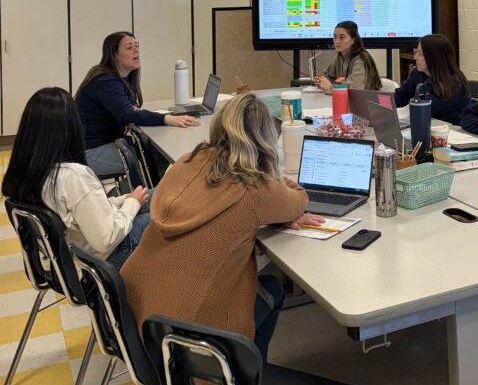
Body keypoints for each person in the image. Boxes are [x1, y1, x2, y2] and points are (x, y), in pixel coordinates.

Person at [121, 92, 320, 362]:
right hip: (186, 337)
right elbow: (299, 201)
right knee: (271, 290)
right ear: (265, 138)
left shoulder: (186, 162)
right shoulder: (254, 187)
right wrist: (277, 195)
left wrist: (271, 209)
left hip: (135, 309)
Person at [1, 87, 151, 268]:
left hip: (72, 257)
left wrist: (123, 200)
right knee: (172, 212)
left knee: (160, 196)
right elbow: (107, 238)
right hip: (103, 260)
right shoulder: (73, 177)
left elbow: (80, 214)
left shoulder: (25, 173)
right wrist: (131, 204)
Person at [75, 32, 200, 181]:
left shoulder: (123, 78)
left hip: (106, 143)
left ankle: (157, 192)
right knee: (148, 156)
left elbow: (130, 109)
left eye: (137, 46)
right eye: (129, 47)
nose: (136, 51)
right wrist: (166, 118)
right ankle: (151, 197)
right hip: (89, 152)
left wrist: (132, 110)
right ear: (113, 54)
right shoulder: (105, 80)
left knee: (153, 150)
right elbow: (128, 114)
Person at [394, 34, 470, 124]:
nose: (415, 57)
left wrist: (430, 80)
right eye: (416, 52)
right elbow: (401, 97)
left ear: (434, 57)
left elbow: (423, 108)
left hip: (451, 131)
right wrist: (379, 104)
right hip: (428, 125)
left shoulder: (455, 83)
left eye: (420, 54)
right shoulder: (418, 73)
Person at [314, 20, 382, 92]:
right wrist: (321, 81)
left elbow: (353, 91)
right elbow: (329, 76)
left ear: (353, 40)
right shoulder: (339, 57)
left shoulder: (360, 61)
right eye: (335, 37)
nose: (336, 41)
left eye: (342, 38)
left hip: (365, 102)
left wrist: (330, 87)